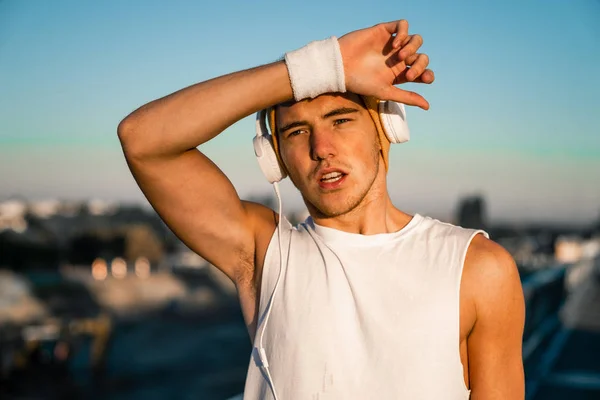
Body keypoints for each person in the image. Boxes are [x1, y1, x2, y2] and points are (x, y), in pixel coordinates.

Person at [118, 19, 525, 400]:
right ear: (274, 158)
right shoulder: (264, 253)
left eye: (341, 120)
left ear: (385, 129)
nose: (320, 148)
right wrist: (317, 67)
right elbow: (142, 139)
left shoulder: (478, 269)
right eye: (297, 131)